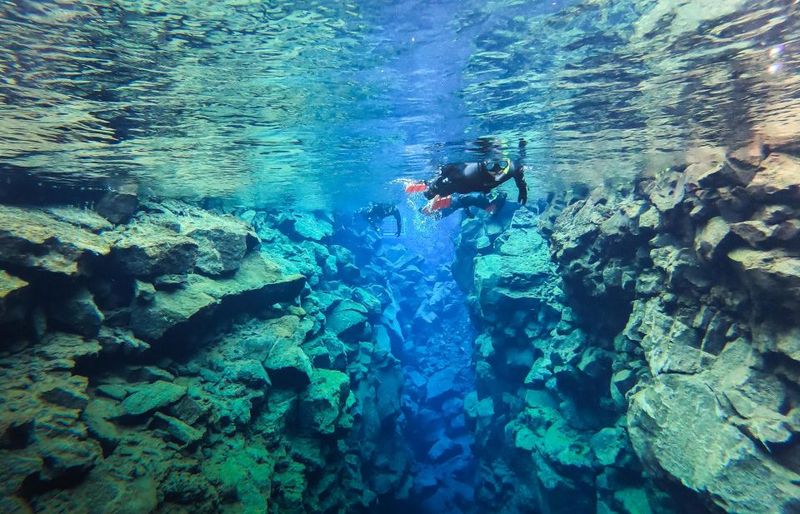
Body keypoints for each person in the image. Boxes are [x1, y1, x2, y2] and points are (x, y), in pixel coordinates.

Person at [406, 139, 528, 213]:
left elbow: (518, 169)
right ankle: (422, 183)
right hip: (459, 184)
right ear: (484, 164)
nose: (497, 171)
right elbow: (444, 179)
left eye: (502, 164)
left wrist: (522, 189)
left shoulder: (510, 169)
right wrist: (433, 196)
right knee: (430, 193)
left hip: (471, 186)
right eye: (491, 166)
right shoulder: (465, 173)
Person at [421, 191, 507, 219]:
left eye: (425, 211)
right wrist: (467, 212)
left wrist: (467, 211)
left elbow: (437, 197)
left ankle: (500, 196)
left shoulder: (435, 206)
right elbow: (458, 204)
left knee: (491, 208)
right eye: (425, 213)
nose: (426, 213)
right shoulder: (438, 215)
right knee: (491, 209)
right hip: (467, 200)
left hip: (467, 198)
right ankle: (499, 197)